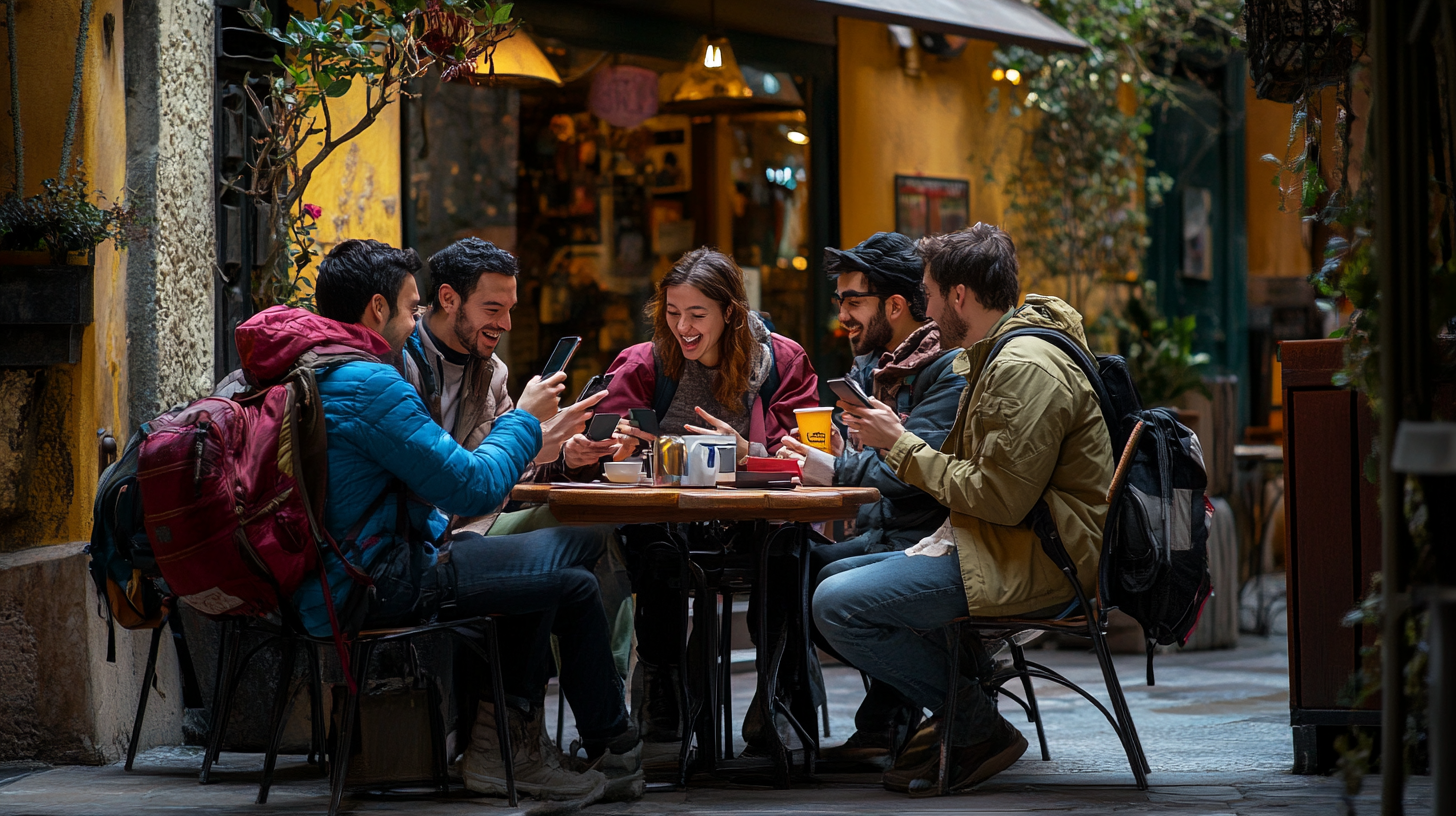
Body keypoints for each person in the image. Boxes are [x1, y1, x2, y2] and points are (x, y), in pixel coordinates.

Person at [234, 239, 637, 805]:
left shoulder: (313, 367)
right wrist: (523, 420)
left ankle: (561, 747)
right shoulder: (370, 384)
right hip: (374, 580)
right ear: (378, 310)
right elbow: (469, 485)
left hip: (338, 573)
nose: (414, 317)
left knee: (567, 580)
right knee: (570, 555)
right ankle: (545, 749)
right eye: (409, 306)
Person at [814, 224, 1115, 795]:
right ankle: (956, 711)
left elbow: (999, 499)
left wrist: (897, 444)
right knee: (827, 576)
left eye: (927, 294)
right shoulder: (996, 354)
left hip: (1037, 557)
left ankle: (974, 724)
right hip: (1007, 541)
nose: (924, 309)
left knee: (836, 604)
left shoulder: (1023, 366)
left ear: (958, 297)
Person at [388, 237, 639, 793]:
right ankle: (570, 741)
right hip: (430, 538)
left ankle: (603, 720)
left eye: (509, 310)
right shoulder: (399, 369)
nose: (501, 323)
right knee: (565, 569)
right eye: (492, 309)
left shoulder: (490, 370)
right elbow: (461, 478)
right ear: (447, 299)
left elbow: (503, 469)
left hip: (473, 523)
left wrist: (561, 450)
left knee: (588, 535)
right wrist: (529, 429)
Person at [585, 247, 820, 743]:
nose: (683, 327)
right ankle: (663, 693)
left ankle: (774, 690)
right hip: (669, 525)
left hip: (757, 525)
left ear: (730, 312)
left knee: (788, 552)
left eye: (697, 314)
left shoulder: (781, 361)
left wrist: (747, 451)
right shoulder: (645, 363)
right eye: (672, 313)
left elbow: (803, 461)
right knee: (656, 553)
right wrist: (619, 449)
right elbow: (604, 452)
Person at [774, 231, 964, 766]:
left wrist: (833, 466)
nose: (843, 316)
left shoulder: (946, 371)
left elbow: (905, 473)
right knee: (789, 568)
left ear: (897, 306)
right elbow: (873, 463)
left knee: (825, 585)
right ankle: (796, 715)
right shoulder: (874, 370)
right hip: (884, 529)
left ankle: (931, 709)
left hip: (928, 540)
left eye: (854, 301)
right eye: (840, 302)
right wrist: (835, 452)